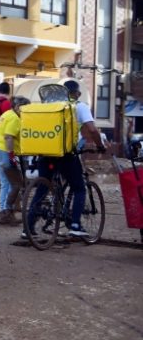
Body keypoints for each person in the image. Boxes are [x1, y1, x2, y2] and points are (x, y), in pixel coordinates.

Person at [25, 80, 106, 238]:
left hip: (45, 153)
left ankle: (27, 228)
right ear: (76, 93)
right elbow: (92, 129)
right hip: (65, 155)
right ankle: (75, 225)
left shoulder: (47, 106)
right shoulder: (79, 106)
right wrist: (100, 145)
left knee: (42, 188)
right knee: (79, 188)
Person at [0, 97, 30, 225]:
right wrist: (12, 155)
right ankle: (7, 211)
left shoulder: (6, 114)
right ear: (18, 106)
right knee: (15, 183)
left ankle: (3, 212)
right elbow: (9, 137)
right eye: (26, 108)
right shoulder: (14, 118)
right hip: (4, 152)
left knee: (5, 183)